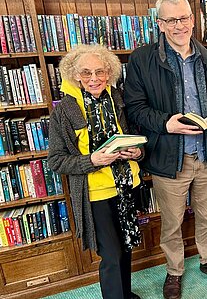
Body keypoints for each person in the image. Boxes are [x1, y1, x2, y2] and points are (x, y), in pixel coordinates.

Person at [123, 0, 207, 299]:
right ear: (160, 24)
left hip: (206, 153)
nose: (179, 25)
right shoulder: (142, 59)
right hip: (169, 157)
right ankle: (174, 271)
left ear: (193, 20)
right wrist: (165, 123)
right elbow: (134, 108)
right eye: (171, 20)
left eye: (183, 18)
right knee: (171, 223)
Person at [48, 44, 143, 299]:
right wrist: (92, 160)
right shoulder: (65, 110)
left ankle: (124, 294)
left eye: (100, 72)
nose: (94, 79)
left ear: (109, 73)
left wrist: (137, 152)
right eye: (86, 73)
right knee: (111, 255)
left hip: (125, 185)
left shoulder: (118, 98)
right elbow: (56, 160)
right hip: (95, 193)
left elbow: (133, 137)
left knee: (125, 247)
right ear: (75, 75)